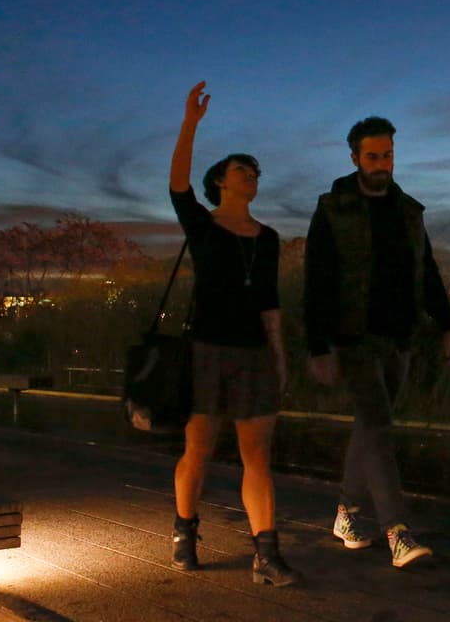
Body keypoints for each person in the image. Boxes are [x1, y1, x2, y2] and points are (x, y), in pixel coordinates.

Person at [303, 116, 450, 569]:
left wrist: (449, 325)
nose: (381, 164)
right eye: (372, 156)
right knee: (377, 423)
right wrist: (318, 345)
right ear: (354, 158)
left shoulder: (408, 211)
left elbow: (426, 270)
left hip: (400, 336)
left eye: (387, 155)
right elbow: (317, 279)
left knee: (370, 426)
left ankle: (346, 515)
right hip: (352, 337)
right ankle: (397, 531)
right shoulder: (333, 208)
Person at [168, 81, 300, 586]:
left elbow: (270, 302)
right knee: (198, 449)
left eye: (255, 171)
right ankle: (184, 533)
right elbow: (177, 184)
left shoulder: (268, 239)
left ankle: (266, 555)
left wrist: (279, 357)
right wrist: (190, 124)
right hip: (207, 349)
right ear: (220, 182)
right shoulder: (202, 226)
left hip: (253, 354)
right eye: (242, 170)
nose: (252, 176)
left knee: (257, 455)